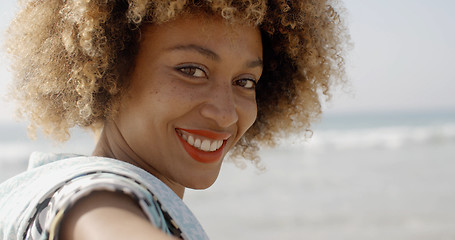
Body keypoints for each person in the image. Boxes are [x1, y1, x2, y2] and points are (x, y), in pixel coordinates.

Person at [0, 0, 348, 239]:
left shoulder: (45, 184)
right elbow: (97, 216)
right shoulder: (92, 194)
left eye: (244, 82)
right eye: (191, 70)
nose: (225, 113)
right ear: (111, 71)